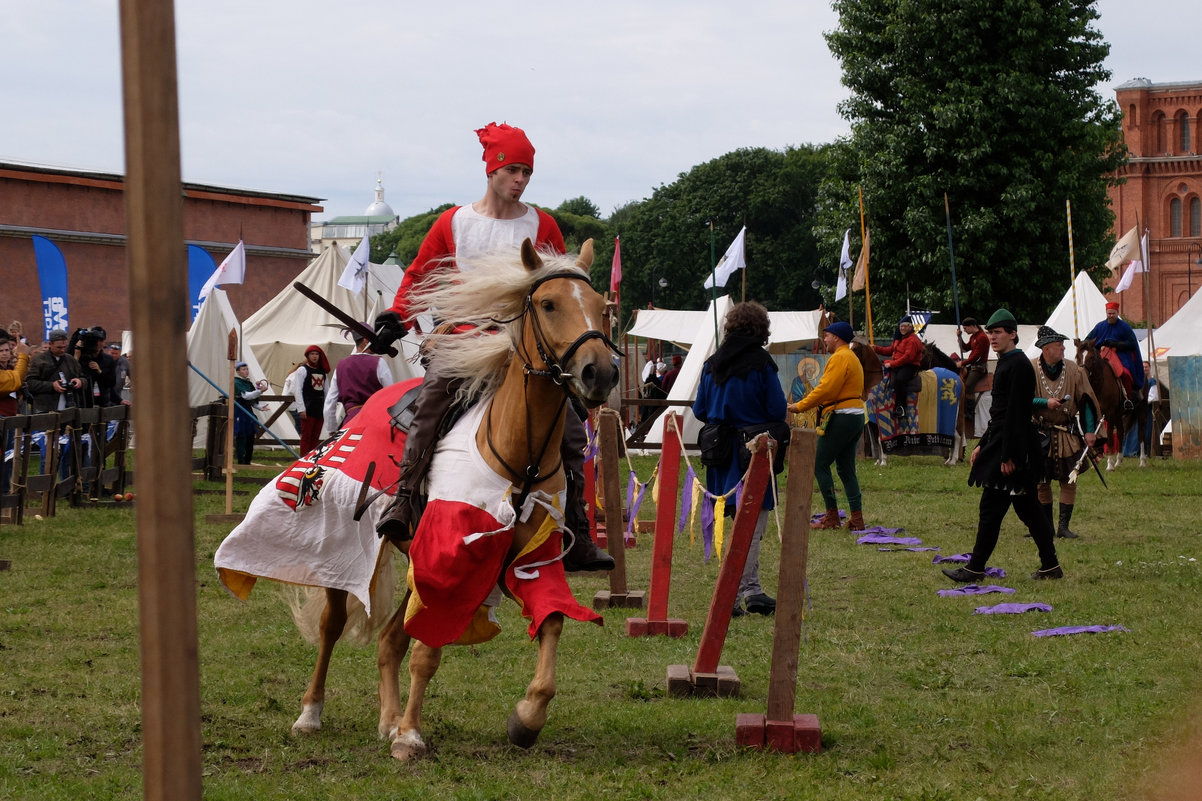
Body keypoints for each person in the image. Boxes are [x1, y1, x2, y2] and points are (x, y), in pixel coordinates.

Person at [372, 122, 612, 572]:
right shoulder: (454, 222)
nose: (521, 180)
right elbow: (420, 275)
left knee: (573, 432)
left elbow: (564, 286)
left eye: (527, 172)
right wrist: (395, 317)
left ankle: (578, 533)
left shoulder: (542, 224)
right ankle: (404, 502)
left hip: (525, 349)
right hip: (465, 343)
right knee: (432, 403)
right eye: (513, 170)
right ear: (492, 170)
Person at [942, 309, 1063, 583]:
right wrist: (982, 445)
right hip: (1003, 443)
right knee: (1028, 510)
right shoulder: (1007, 362)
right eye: (990, 333)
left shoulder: (1018, 365)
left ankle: (975, 568)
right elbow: (999, 413)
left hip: (1014, 448)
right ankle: (1050, 566)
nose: (993, 338)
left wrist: (1009, 456)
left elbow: (1016, 415)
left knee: (992, 510)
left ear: (1012, 334)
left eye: (998, 333)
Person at [692, 302, 786, 617]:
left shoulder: (712, 363)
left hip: (720, 455)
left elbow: (700, 410)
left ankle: (750, 590)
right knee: (752, 526)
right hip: (751, 454)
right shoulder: (762, 363)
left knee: (735, 524)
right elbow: (776, 410)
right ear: (760, 329)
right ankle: (736, 595)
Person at [788, 320, 867, 531]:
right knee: (845, 467)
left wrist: (799, 406)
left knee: (819, 462)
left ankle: (832, 516)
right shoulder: (850, 356)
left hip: (842, 415)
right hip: (855, 415)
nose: (824, 339)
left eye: (827, 335)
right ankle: (857, 519)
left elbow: (825, 390)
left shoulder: (840, 357)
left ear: (837, 337)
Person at [1030, 326, 1099, 539]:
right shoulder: (1029, 369)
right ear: (1046, 348)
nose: (1063, 348)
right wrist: (1044, 402)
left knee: (1069, 480)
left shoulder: (1074, 370)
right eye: (1059, 345)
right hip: (1040, 434)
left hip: (1066, 433)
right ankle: (1046, 528)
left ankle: (1063, 527)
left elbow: (1086, 402)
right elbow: (1020, 399)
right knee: (1042, 482)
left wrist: (1089, 431)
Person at [324, 329, 393, 433]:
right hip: (375, 423)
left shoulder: (341, 366)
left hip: (350, 424)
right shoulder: (379, 362)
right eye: (373, 339)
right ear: (365, 340)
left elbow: (329, 403)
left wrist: (332, 430)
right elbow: (391, 397)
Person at [1086, 301, 1145, 410]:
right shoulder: (1100, 326)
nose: (1111, 316)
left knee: (1125, 373)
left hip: (1121, 355)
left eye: (1113, 313)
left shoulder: (1125, 327)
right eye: (1109, 314)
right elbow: (1089, 339)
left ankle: (1128, 398)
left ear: (1117, 313)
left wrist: (1116, 344)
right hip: (1102, 354)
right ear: (1106, 313)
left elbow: (1132, 343)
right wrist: (1083, 343)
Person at [25, 328, 87, 413]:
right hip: (45, 407)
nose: (62, 350)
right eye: (59, 347)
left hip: (69, 407)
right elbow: (30, 383)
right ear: (50, 344)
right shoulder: (39, 360)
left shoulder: (70, 359)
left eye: (64, 347)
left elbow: (83, 378)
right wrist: (51, 385)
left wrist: (80, 381)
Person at [873, 315, 923, 419]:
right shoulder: (899, 339)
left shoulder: (913, 340)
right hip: (898, 364)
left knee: (899, 380)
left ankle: (901, 408)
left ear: (910, 327)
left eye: (905, 326)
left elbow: (908, 357)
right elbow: (890, 350)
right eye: (901, 326)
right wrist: (876, 348)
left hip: (909, 365)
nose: (902, 328)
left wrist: (892, 364)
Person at [289, 345, 330, 455]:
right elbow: (297, 390)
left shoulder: (323, 372)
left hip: (319, 407)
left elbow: (327, 391)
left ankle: (312, 459)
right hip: (308, 406)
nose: (314, 356)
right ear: (307, 356)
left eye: (316, 354)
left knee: (316, 436)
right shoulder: (302, 370)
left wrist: (327, 409)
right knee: (306, 436)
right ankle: (303, 460)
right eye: (312, 354)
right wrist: (301, 409)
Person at [951, 316, 989, 420]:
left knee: (967, 385)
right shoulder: (974, 336)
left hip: (979, 368)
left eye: (965, 328)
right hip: (972, 365)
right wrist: (959, 337)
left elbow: (976, 356)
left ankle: (970, 412)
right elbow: (965, 348)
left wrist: (961, 363)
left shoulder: (982, 337)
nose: (965, 330)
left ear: (972, 326)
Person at [233, 361, 267, 465]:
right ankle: (241, 461)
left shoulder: (248, 383)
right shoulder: (236, 382)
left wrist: (260, 407)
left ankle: (248, 461)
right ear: (238, 372)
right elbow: (246, 396)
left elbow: (252, 399)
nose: (246, 371)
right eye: (243, 369)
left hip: (248, 412)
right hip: (239, 412)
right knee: (241, 437)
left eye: (247, 369)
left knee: (250, 437)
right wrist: (260, 391)